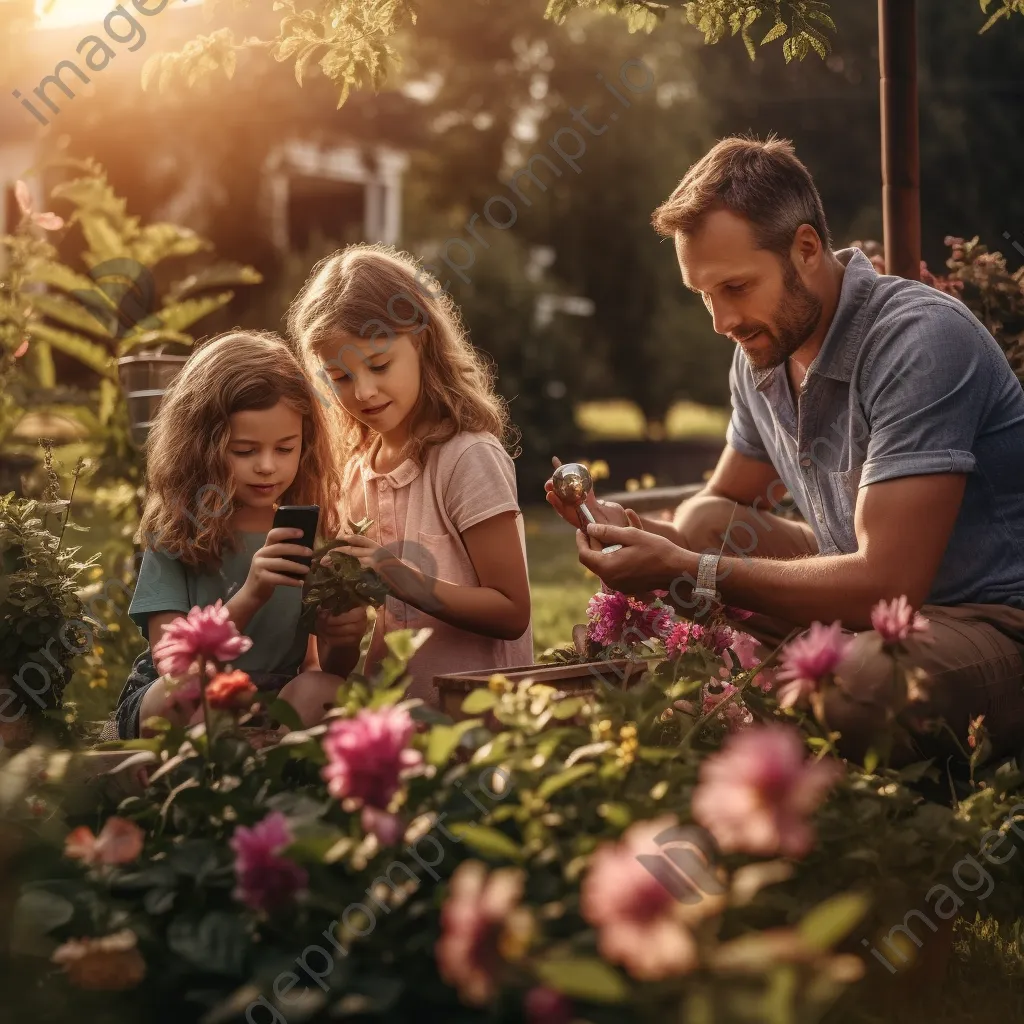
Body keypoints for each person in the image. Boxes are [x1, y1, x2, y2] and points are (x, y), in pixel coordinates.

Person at [547, 135, 1024, 766]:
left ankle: (792, 711)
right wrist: (636, 532)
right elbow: (720, 508)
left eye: (736, 286)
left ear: (805, 249)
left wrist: (687, 569)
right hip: (865, 598)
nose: (721, 320)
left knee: (856, 683)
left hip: (986, 618)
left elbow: (889, 582)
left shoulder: (919, 341)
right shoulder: (763, 354)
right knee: (702, 521)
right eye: (704, 295)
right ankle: (775, 695)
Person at [287, 244, 533, 705]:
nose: (362, 391)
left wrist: (396, 575)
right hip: (392, 724)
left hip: (477, 725)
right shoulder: (357, 473)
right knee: (307, 692)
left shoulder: (466, 456)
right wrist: (340, 630)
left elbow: (511, 611)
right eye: (338, 377)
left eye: (379, 365)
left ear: (419, 339)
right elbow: (339, 663)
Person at [112, 331, 369, 738]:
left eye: (285, 449)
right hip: (183, 696)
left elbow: (319, 667)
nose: (267, 466)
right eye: (245, 451)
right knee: (190, 691)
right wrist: (251, 595)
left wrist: (345, 635)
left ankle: (275, 784)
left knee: (330, 691)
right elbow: (174, 665)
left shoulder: (312, 533)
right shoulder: (177, 532)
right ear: (201, 448)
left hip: (274, 695)